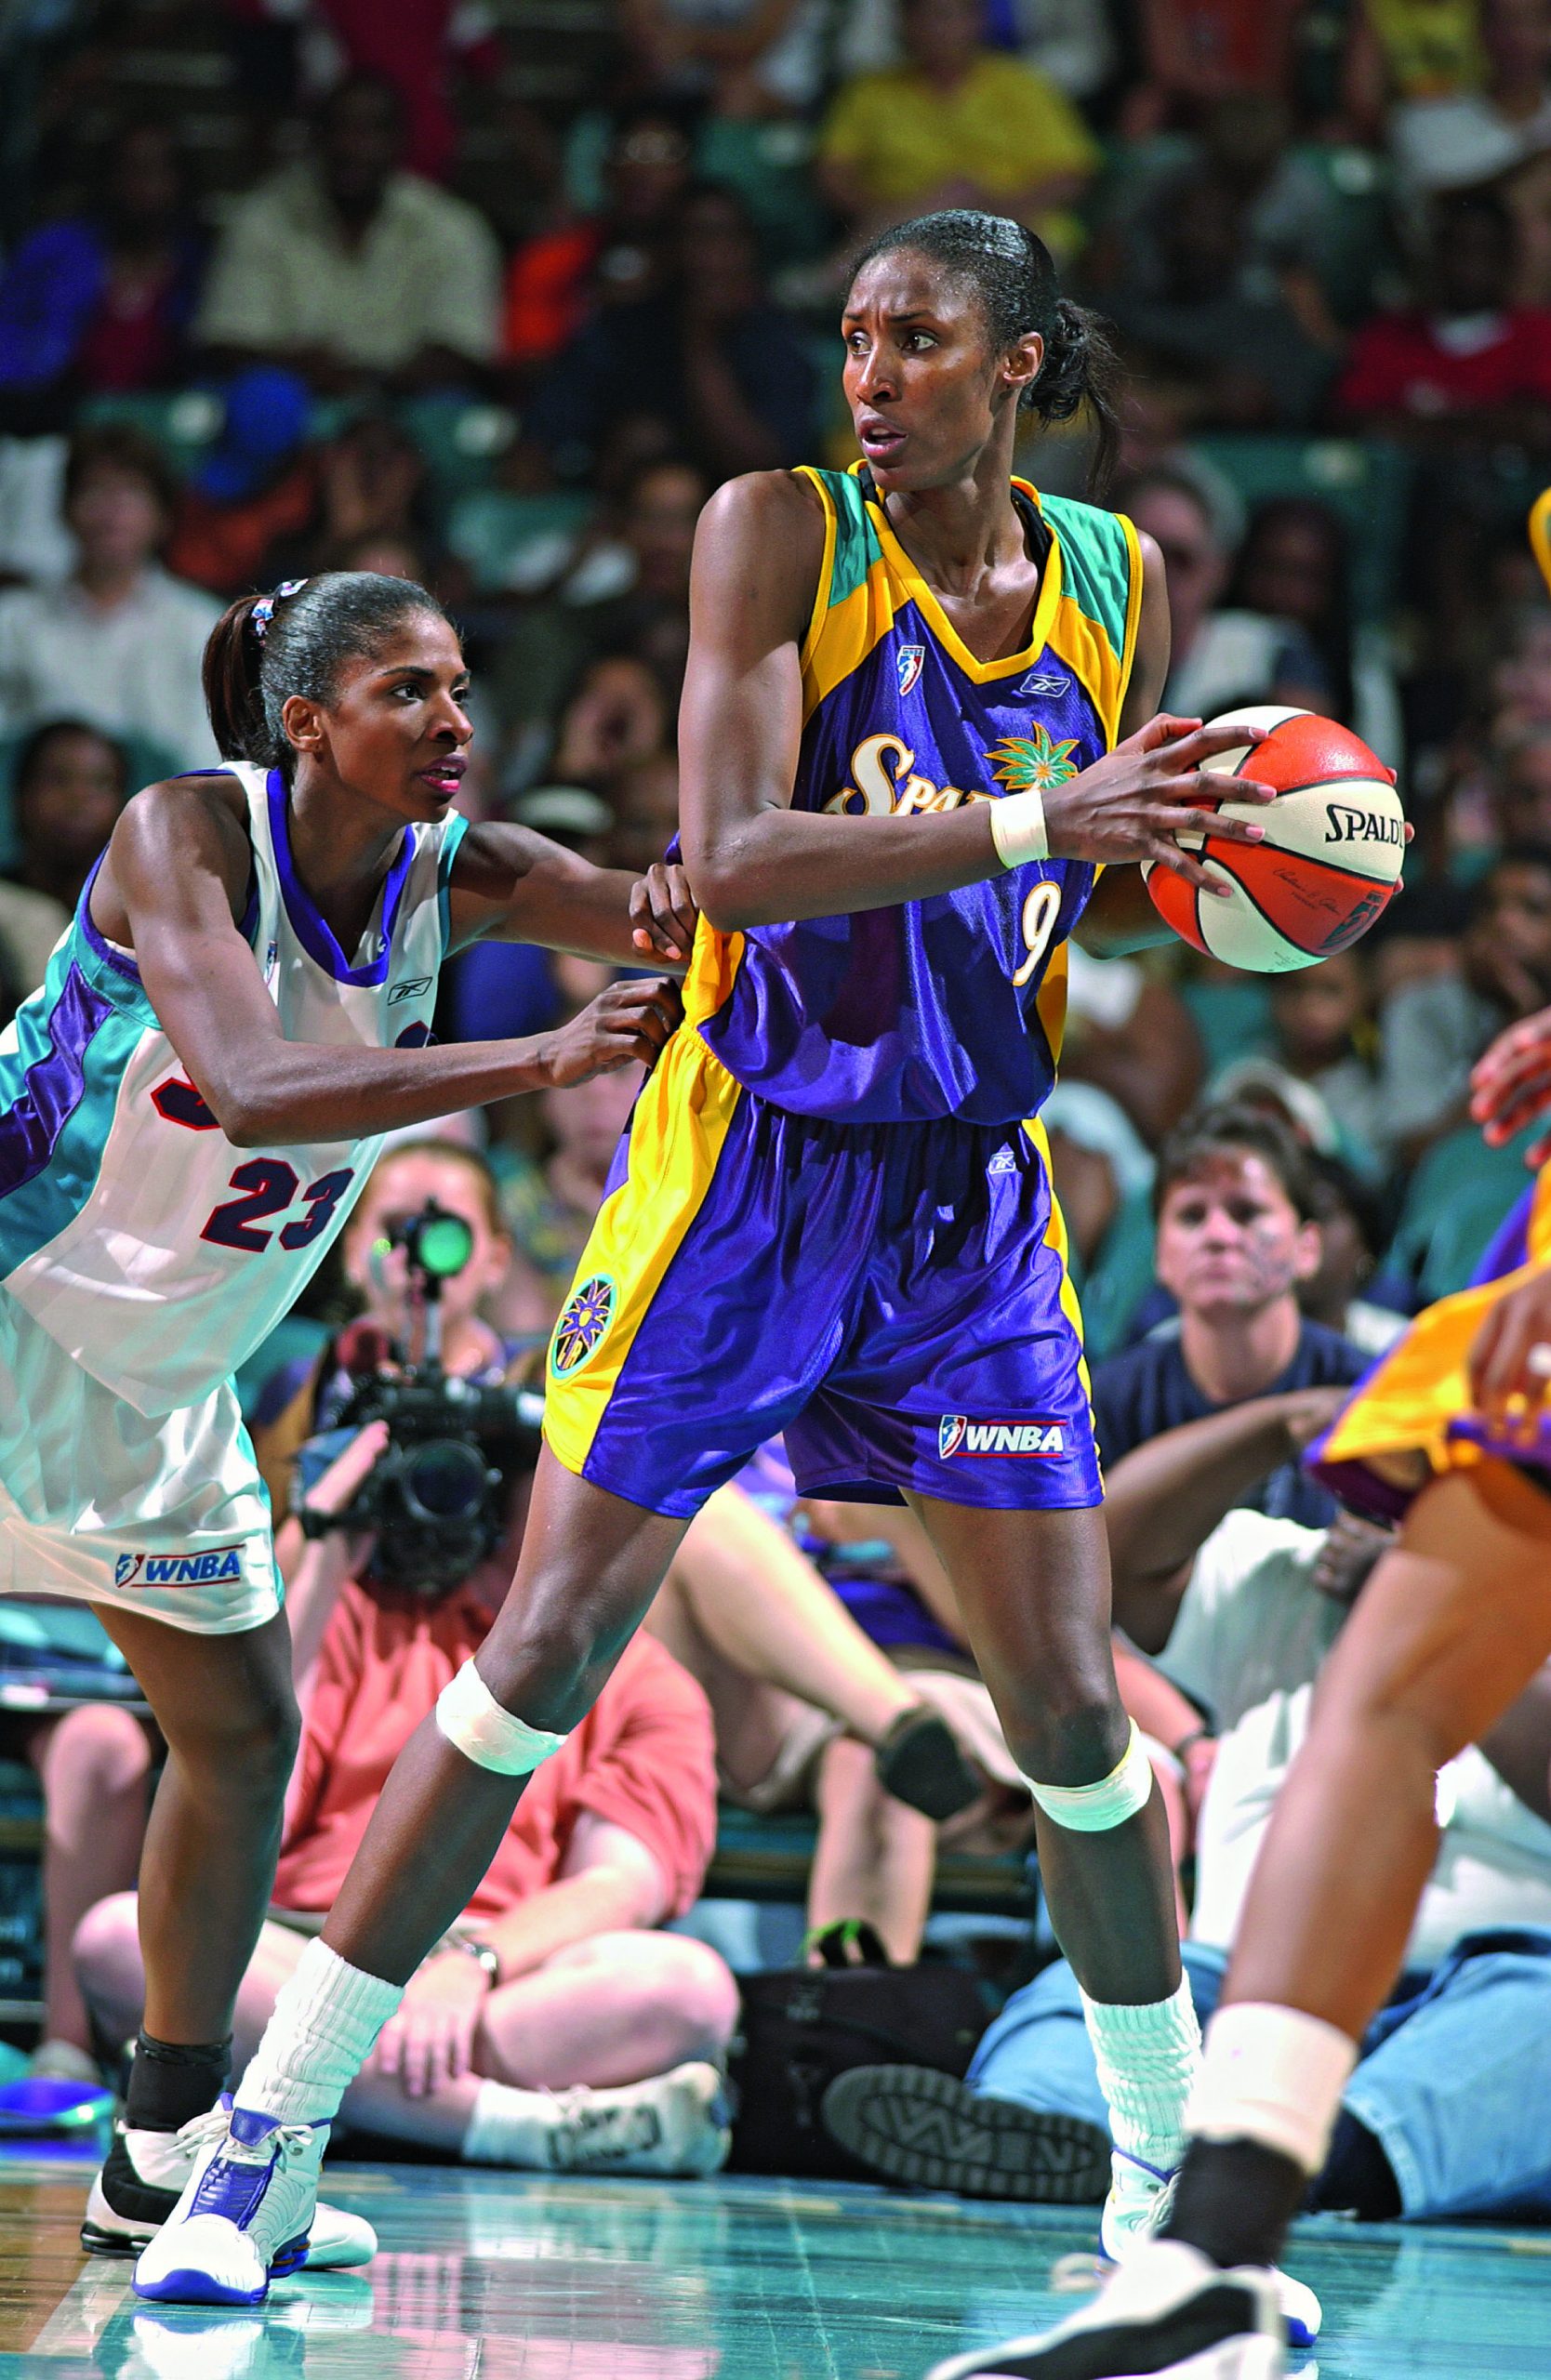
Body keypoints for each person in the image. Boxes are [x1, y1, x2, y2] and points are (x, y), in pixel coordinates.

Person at [140, 203, 1295, 2313]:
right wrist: (1058, 826)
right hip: (750, 1168)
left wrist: (1214, 876)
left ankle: (1176, 2220)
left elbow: (1056, 895)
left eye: (919, 339)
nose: (870, 375)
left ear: (1020, 363)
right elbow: (738, 859)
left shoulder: (1112, 580)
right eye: (853, 335)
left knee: (1064, 1711)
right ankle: (256, 2141)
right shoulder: (777, 528)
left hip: (966, 1191)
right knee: (543, 1657)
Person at [0, 565, 693, 2274]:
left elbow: (679, 914)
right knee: (228, 1739)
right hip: (15, 1300)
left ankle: (155, 2149)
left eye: (461, 690)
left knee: (241, 1740)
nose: (454, 723)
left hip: (154, 1383)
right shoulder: (187, 836)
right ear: (305, 720)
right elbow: (253, 1082)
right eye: (408, 694)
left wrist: (997, 843)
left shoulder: (472, 878)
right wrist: (531, 1064)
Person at [933, 1016, 1551, 2374]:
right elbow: (1084, 1572)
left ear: (1316, 1250)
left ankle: (1239, 2196)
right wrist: (1294, 1436)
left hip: (1497, 1977)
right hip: (1251, 1970)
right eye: (1194, 1212)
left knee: (1528, 2037)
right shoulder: (1268, 1541)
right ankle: (1219, 2240)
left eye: (1249, 1211)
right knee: (1058, 2024)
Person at [77, 1147, 739, 2183]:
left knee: (686, 1986)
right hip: (299, 1940)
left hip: (502, 1963)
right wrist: (333, 1546)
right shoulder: (340, 1613)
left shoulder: (635, 1669)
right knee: (124, 1938)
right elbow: (249, 1804)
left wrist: (465, 1966)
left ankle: (321, 2097)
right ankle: (511, 2127)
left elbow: (622, 1884)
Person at [1092, 1104, 1368, 1529]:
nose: (1219, 1236)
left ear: (1307, 1247)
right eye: (1192, 1215)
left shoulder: (1366, 1390)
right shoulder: (1106, 1406)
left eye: (1246, 1212)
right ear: (1160, 1256)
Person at [193, 73, 501, 389]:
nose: (351, 146)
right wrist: (305, 369)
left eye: (369, 131)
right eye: (339, 128)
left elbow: (464, 351)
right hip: (298, 402)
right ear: (315, 138)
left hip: (408, 409)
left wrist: (368, 385)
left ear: (399, 141)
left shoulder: (451, 226)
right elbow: (229, 343)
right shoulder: (263, 216)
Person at [0, 425, 221, 774]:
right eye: (96, 490)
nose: (112, 510)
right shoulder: (12, 622)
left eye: (132, 491)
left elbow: (210, 760)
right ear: (66, 510)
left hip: (164, 817)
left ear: (163, 517)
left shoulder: (203, 626)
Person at [817, 0, 1100, 264]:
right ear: (902, 23)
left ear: (977, 22)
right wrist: (893, 210)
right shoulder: (869, 92)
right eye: (921, 17)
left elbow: (1070, 174)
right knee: (945, 212)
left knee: (962, 207)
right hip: (898, 228)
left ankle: (835, 275)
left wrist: (990, 209)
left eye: (947, 16)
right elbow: (835, 172)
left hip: (1014, 225)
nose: (935, 29)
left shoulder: (1023, 85)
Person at [0, 117, 206, 431]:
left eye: (155, 171)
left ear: (179, 180)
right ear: (108, 177)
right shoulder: (54, 252)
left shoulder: (198, 269)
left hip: (158, 433)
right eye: (129, 170)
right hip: (55, 425)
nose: (141, 187)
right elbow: (11, 343)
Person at [0, 720, 130, 1003]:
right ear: (21, 795)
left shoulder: (137, 915)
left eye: (100, 783)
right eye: (58, 779)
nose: (79, 798)